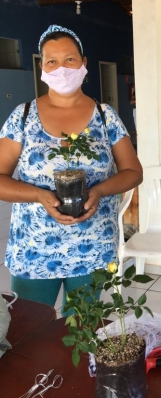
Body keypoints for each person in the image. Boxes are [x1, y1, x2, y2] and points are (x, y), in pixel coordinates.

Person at [0, 25, 143, 314]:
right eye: (51, 61)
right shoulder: (23, 117)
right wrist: (40, 196)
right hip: (35, 247)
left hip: (92, 243)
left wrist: (99, 190)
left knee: (81, 328)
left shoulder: (106, 117)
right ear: (42, 67)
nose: (61, 68)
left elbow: (133, 172)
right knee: (29, 331)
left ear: (83, 63)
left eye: (70, 59)